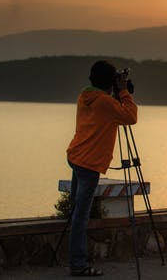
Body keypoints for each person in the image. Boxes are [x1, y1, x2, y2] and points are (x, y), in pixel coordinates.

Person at [66, 60, 137, 276]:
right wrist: (124, 92)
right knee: (81, 215)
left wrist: (117, 93)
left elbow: (109, 110)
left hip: (76, 156)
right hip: (89, 163)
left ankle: (75, 259)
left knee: (76, 210)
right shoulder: (105, 103)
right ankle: (78, 265)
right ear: (109, 82)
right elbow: (130, 117)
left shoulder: (85, 97)